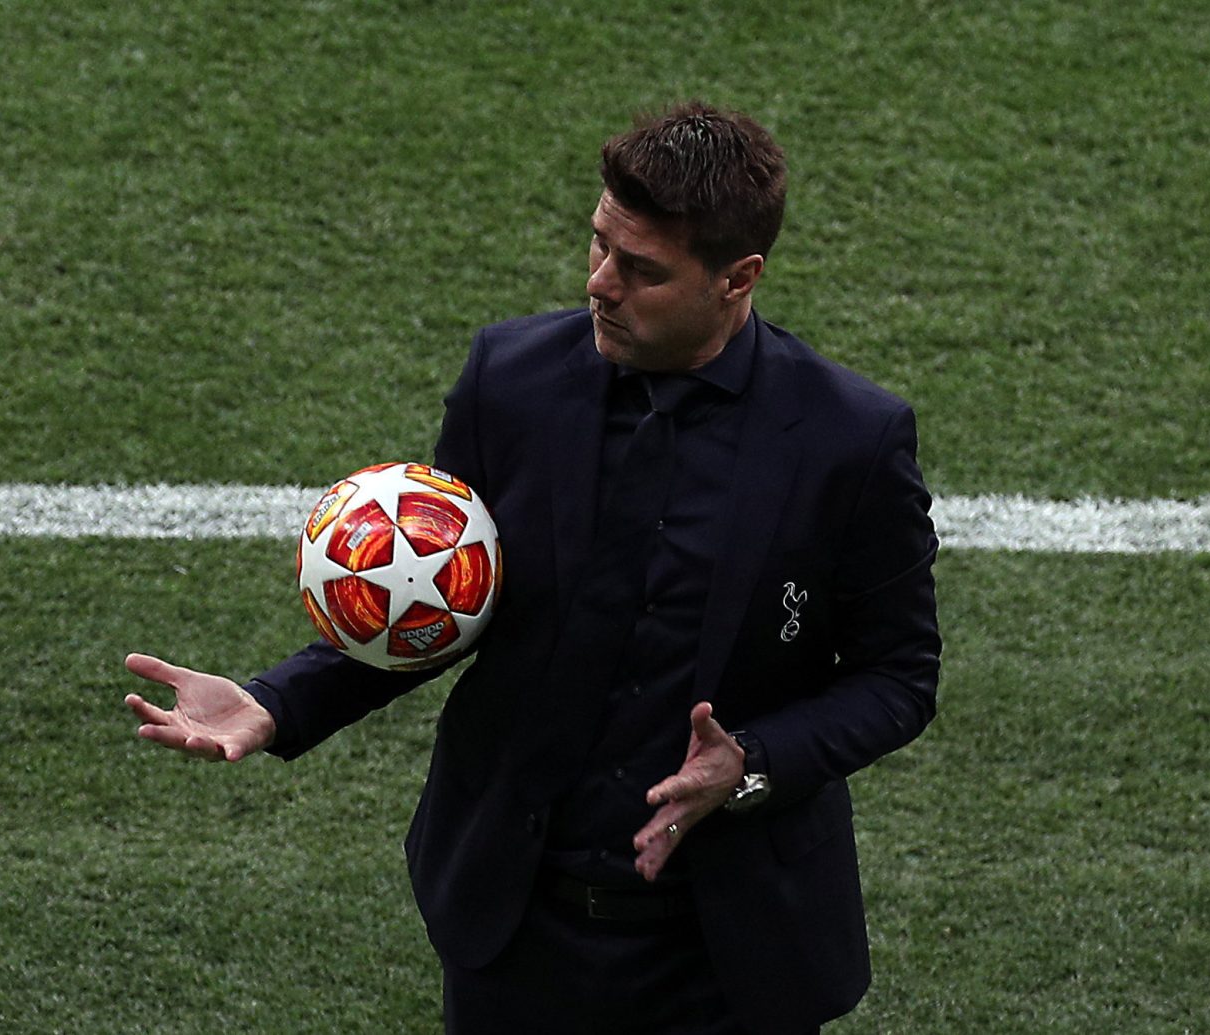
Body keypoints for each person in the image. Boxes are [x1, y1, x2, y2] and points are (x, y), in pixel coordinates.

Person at [124, 101, 941, 1035]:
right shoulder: (510, 380)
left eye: (642, 270)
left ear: (737, 278)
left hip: (728, 957)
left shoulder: (849, 440)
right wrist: (277, 701)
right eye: (599, 244)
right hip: (516, 932)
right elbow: (441, 597)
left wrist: (752, 762)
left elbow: (899, 676)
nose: (601, 283)